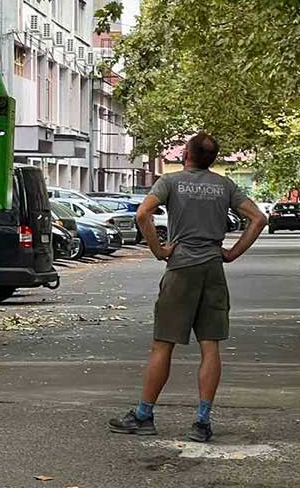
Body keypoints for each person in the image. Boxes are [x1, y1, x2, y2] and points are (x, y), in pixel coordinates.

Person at [108, 132, 267, 443]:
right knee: (211, 346)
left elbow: (143, 214)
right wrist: (232, 253)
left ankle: (143, 414)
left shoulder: (171, 182)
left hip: (180, 269)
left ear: (186, 155)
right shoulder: (225, 186)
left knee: (162, 345)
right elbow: (258, 219)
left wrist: (158, 249)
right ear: (212, 160)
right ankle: (202, 422)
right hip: (212, 269)